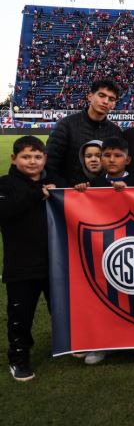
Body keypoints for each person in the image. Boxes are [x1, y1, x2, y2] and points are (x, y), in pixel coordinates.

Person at [76, 138, 134, 365]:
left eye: (117, 155)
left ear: (127, 159)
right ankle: (102, 345)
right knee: (105, 295)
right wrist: (79, 193)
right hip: (103, 248)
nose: (111, 159)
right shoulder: (93, 184)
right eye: (106, 155)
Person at [0, 136, 56, 381]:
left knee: (61, 309)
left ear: (45, 159)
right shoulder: (5, 185)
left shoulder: (55, 184)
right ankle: (19, 357)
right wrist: (36, 195)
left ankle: (69, 343)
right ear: (14, 159)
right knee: (20, 315)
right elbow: (4, 212)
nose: (32, 162)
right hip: (21, 265)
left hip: (55, 263)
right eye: (26, 156)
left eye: (37, 156)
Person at [45, 79, 123, 187]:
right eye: (101, 95)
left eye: (111, 99)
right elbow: (50, 164)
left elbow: (118, 168)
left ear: (114, 104)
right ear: (90, 96)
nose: (106, 101)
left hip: (103, 198)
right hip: (72, 198)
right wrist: (66, 187)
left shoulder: (116, 132)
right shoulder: (65, 125)